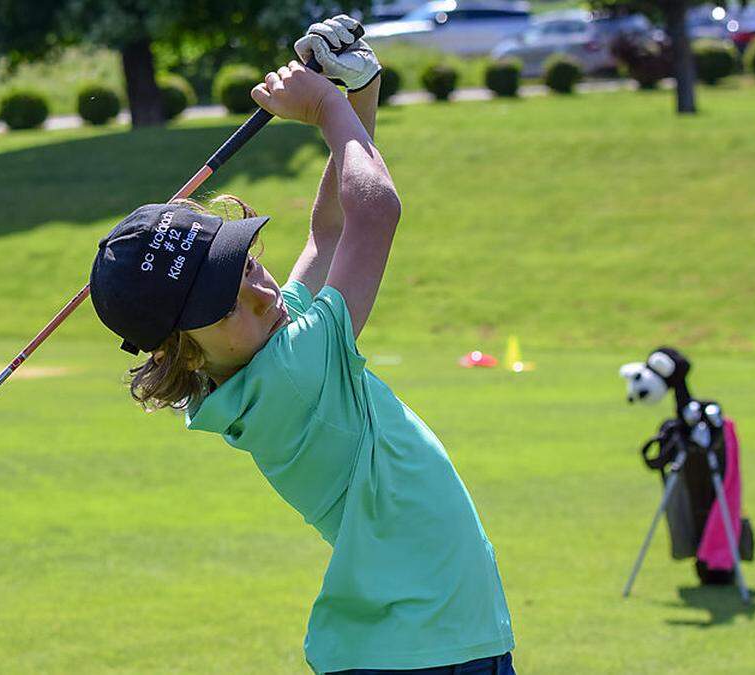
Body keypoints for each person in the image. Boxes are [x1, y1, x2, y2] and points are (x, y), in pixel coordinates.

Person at [88, 15, 515, 675]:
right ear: (187, 354)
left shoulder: (258, 352)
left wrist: (357, 91)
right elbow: (374, 212)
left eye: (247, 265)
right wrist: (323, 106)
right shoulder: (291, 372)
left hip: (420, 644)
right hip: (424, 651)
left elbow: (328, 226)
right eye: (227, 302)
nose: (262, 292)